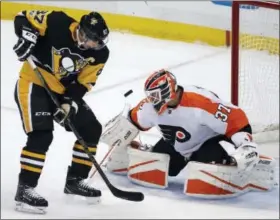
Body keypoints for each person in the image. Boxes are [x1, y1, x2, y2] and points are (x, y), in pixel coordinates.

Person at [100, 69, 274, 197]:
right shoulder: (149, 108)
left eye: (154, 95)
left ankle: (248, 168)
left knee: (204, 173)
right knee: (152, 169)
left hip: (207, 143)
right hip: (176, 145)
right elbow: (132, 121)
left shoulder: (200, 101)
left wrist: (245, 144)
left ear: (167, 90)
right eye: (150, 96)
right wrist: (120, 134)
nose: (151, 100)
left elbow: (234, 118)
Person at [13, 9, 110, 213]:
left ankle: (75, 180)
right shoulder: (57, 21)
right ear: (81, 32)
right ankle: (25, 189)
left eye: (99, 41)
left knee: (91, 129)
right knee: (41, 135)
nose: (95, 45)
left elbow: (84, 83)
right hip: (34, 83)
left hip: (62, 92)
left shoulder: (100, 53)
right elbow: (23, 17)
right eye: (92, 40)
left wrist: (69, 102)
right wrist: (26, 40)